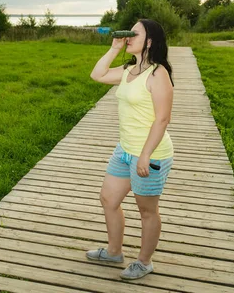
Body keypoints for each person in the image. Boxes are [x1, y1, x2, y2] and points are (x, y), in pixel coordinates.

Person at [86, 18, 174, 280]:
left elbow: (162, 119)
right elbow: (97, 75)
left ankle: (144, 262)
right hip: (124, 149)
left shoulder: (158, 74)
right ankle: (114, 252)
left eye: (134, 34)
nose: (128, 36)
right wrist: (114, 48)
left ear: (149, 41)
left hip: (150, 153)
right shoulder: (128, 70)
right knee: (108, 199)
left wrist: (145, 155)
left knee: (147, 211)